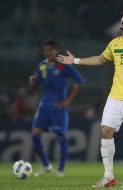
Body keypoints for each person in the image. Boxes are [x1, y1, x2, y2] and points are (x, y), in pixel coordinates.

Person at [57, 7, 123, 188]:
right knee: (106, 131)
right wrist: (75, 61)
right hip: (115, 95)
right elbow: (100, 60)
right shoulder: (114, 43)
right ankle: (108, 176)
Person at [29, 39, 85, 177]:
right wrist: (32, 82)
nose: (47, 53)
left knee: (61, 136)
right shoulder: (42, 65)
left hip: (58, 107)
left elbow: (79, 83)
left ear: (56, 50)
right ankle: (46, 165)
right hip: (43, 105)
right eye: (45, 50)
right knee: (35, 134)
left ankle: (60, 169)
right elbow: (35, 86)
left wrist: (68, 100)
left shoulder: (64, 65)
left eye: (50, 50)